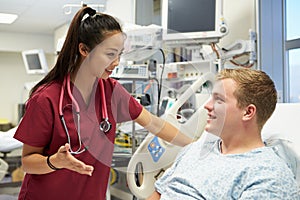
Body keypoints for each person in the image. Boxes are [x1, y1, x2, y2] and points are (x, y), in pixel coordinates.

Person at [13, 6, 192, 200]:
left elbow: (155, 123)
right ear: (84, 49)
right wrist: (56, 161)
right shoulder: (46, 99)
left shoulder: (111, 91)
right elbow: (27, 162)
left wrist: (196, 146)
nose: (116, 62)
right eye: (109, 54)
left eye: (119, 54)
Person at [148, 68, 299, 199]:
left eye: (218, 100)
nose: (207, 106)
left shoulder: (268, 177)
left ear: (248, 112)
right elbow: (159, 193)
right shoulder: (195, 150)